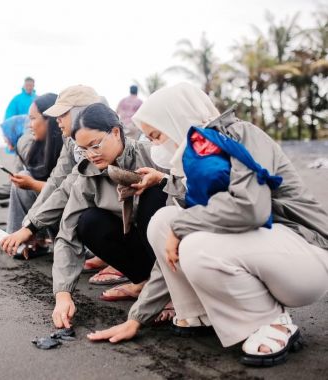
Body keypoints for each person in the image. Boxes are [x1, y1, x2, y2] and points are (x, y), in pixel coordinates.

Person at [89, 83, 328, 367]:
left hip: (305, 257)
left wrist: (183, 227)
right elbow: (167, 255)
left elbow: (251, 208)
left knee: (193, 242)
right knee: (163, 222)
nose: (156, 148)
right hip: (272, 256)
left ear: (176, 120)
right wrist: (137, 317)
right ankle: (198, 313)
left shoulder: (238, 136)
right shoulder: (193, 167)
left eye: (157, 136)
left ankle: (271, 322)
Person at [36, 103, 167, 330]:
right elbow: (67, 235)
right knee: (88, 222)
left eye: (95, 145)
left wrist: (162, 178)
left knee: (154, 196)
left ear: (116, 132)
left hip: (170, 252)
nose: (91, 155)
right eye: (83, 149)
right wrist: (63, 294)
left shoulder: (153, 155)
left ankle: (169, 291)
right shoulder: (88, 174)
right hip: (139, 250)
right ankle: (144, 281)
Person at [0, 85, 101, 253]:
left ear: (80, 113)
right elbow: (57, 182)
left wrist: (29, 227)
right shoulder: (70, 144)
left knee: (85, 213)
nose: (57, 119)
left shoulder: (100, 147)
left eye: (62, 114)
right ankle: (31, 242)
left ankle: (98, 254)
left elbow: (69, 191)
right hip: (67, 210)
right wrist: (27, 226)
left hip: (98, 218)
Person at [0, 93, 63, 240]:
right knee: (24, 180)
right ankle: (26, 238)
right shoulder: (37, 145)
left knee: (25, 179)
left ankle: (25, 237)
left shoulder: (27, 145)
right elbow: (20, 184)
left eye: (33, 118)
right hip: (50, 211)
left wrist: (30, 184)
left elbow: (65, 190)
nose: (29, 124)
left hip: (65, 212)